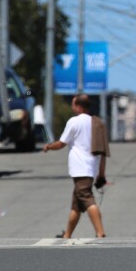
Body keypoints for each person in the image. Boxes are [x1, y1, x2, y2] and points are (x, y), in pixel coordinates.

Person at [42, 94, 107, 239]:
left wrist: (48, 146)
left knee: (87, 198)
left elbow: (61, 143)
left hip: (80, 168)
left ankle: (100, 232)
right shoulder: (96, 123)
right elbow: (103, 151)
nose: (72, 107)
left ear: (78, 106)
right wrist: (101, 173)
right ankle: (67, 235)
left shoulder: (74, 122)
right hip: (91, 167)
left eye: (73, 104)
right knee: (76, 205)